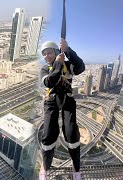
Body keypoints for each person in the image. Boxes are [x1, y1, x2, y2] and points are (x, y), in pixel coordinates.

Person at [39, 38, 85, 180]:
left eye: (49, 53)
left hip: (67, 99)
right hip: (51, 101)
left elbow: (80, 67)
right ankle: (45, 166)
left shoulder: (67, 65)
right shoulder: (45, 69)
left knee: (71, 133)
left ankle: (76, 168)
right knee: (48, 133)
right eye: (44, 54)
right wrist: (58, 63)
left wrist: (68, 50)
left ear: (56, 52)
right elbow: (49, 82)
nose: (47, 56)